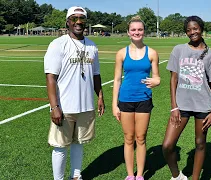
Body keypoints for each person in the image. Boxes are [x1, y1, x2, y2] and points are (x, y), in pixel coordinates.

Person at [44, 6, 105, 180]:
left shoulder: (92, 45)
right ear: (68, 22)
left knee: (79, 143)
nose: (78, 22)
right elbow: (50, 78)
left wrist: (100, 96)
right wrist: (54, 107)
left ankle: (76, 176)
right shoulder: (58, 44)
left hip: (86, 105)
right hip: (64, 106)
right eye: (74, 18)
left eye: (82, 19)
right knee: (60, 145)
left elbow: (96, 74)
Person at [162, 16, 211, 180]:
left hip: (203, 105)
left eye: (195, 28)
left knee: (200, 144)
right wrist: (174, 107)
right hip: (182, 105)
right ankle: (177, 176)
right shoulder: (178, 50)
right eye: (188, 30)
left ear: (201, 29)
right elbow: (173, 79)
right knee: (167, 145)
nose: (192, 32)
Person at [112, 15, 160, 180]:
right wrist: (114, 104)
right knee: (128, 138)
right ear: (128, 32)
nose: (137, 32)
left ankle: (139, 175)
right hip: (125, 100)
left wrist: (156, 81)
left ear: (144, 32)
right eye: (133, 29)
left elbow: (157, 77)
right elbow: (117, 80)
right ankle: (130, 175)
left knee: (140, 138)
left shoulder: (152, 53)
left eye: (140, 29)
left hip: (144, 100)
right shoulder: (121, 54)